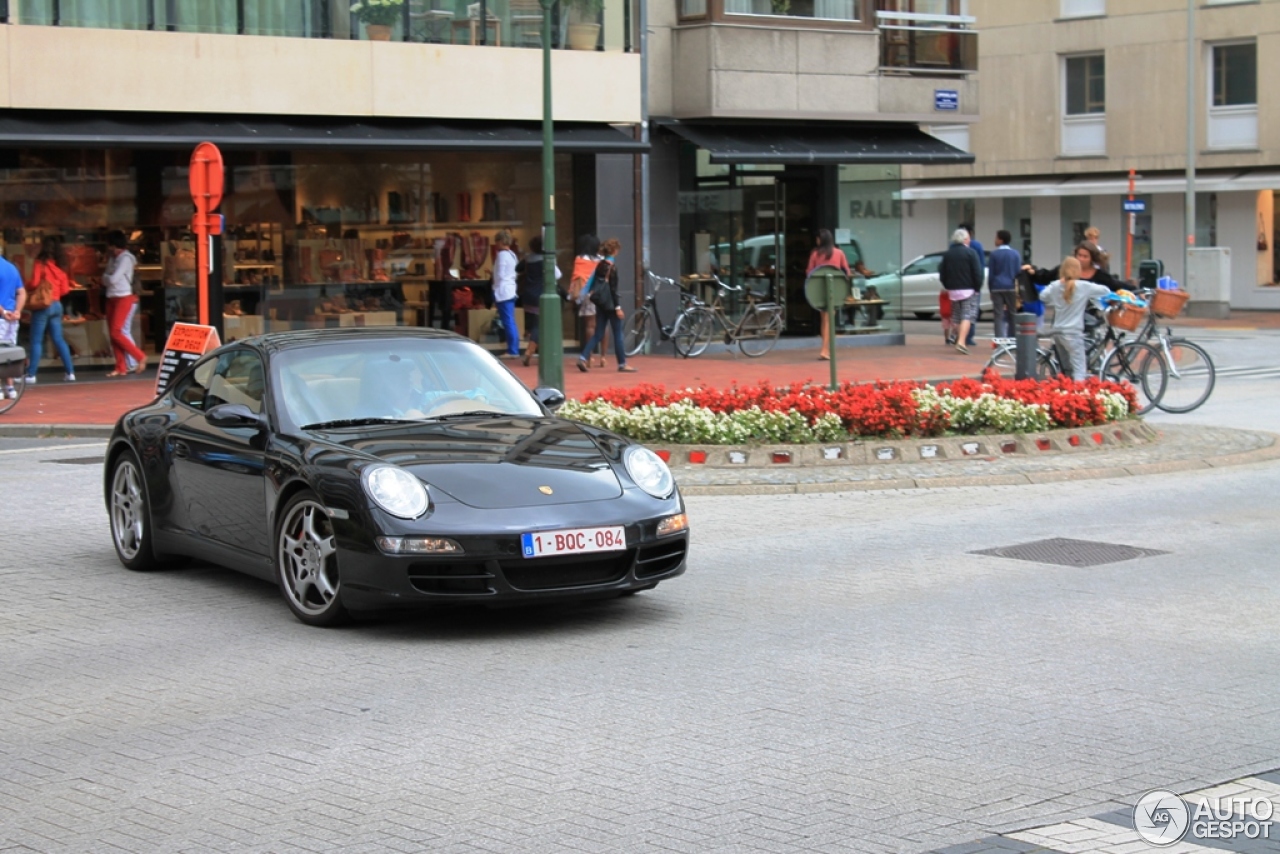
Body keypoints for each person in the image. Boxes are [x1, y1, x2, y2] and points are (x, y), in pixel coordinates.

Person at [1040, 255, 1113, 381]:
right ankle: (1078, 396)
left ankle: (1065, 393)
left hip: (1057, 331)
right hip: (1073, 333)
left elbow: (1043, 296)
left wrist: (1055, 293)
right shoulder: (1084, 286)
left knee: (1065, 369)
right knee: (1079, 369)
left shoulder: (1055, 285)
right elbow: (1106, 291)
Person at [576, 238, 635, 373]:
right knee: (618, 333)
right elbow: (613, 289)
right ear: (615, 251)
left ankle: (583, 357)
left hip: (600, 303)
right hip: (611, 304)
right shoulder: (612, 267)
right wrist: (618, 308)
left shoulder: (600, 264)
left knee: (598, 333)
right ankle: (622, 363)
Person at [24, 236, 77, 383]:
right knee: (59, 339)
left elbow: (34, 283)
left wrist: (27, 285)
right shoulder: (61, 266)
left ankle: (31, 374)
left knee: (36, 341)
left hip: (43, 305)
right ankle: (70, 372)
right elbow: (65, 289)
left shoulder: (40, 263)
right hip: (57, 305)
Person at [102, 229, 147, 377]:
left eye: (110, 245)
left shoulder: (126, 258)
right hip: (112, 296)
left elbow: (111, 278)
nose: (109, 248)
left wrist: (107, 279)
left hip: (123, 297)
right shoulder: (113, 258)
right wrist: (108, 279)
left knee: (116, 331)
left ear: (114, 245)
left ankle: (139, 356)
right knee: (113, 333)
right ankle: (120, 367)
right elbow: (106, 277)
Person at [515, 236, 561, 367]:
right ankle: (530, 350)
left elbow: (517, 268)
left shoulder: (528, 259)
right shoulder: (546, 260)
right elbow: (557, 275)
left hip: (528, 294)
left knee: (534, 323)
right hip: (541, 295)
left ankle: (538, 349)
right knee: (539, 325)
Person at [806, 229, 851, 361]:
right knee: (829, 320)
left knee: (824, 320)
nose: (817, 240)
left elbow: (809, 272)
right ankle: (825, 350)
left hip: (819, 291)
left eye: (818, 238)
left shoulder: (815, 254)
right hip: (835, 290)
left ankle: (825, 348)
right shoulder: (839, 253)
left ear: (822, 239)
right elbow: (846, 271)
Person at [938, 228, 982, 355]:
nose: (969, 240)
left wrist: (947, 285)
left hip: (953, 290)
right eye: (968, 238)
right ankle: (961, 342)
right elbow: (977, 273)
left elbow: (942, 273)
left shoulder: (947, 254)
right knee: (967, 316)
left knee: (956, 317)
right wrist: (977, 288)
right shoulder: (971, 253)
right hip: (968, 289)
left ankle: (958, 337)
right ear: (964, 239)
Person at [571, 234, 605, 367]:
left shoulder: (579, 259)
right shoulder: (601, 260)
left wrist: (573, 294)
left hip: (587, 294)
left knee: (590, 325)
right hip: (602, 294)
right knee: (603, 324)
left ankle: (589, 356)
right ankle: (603, 356)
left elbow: (576, 277)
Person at [490, 230, 521, 359]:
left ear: (501, 241)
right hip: (511, 289)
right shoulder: (512, 254)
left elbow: (500, 274)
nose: (495, 244)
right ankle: (513, 347)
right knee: (510, 321)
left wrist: (494, 282)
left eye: (497, 241)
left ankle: (513, 350)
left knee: (508, 321)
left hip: (503, 291)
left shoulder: (501, 255)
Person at [987, 229, 1022, 338]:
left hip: (997, 287)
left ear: (1001, 240)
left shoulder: (994, 254)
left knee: (998, 314)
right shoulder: (1015, 254)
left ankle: (999, 339)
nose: (995, 240)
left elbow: (991, 274)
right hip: (1011, 286)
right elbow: (1018, 273)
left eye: (996, 238)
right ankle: (1013, 338)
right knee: (1012, 313)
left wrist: (990, 289)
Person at [0, 251, 25, 400]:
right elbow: (21, 292)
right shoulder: (11, 268)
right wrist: (17, 311)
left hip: (2, 316)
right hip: (12, 320)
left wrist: (3, 312)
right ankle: (10, 388)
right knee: (7, 355)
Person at [958, 224, 984, 346]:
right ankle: (968, 337)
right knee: (971, 312)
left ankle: (959, 337)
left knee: (958, 313)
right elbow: (980, 266)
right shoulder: (976, 246)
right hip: (972, 284)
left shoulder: (953, 246)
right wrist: (979, 284)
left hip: (957, 284)